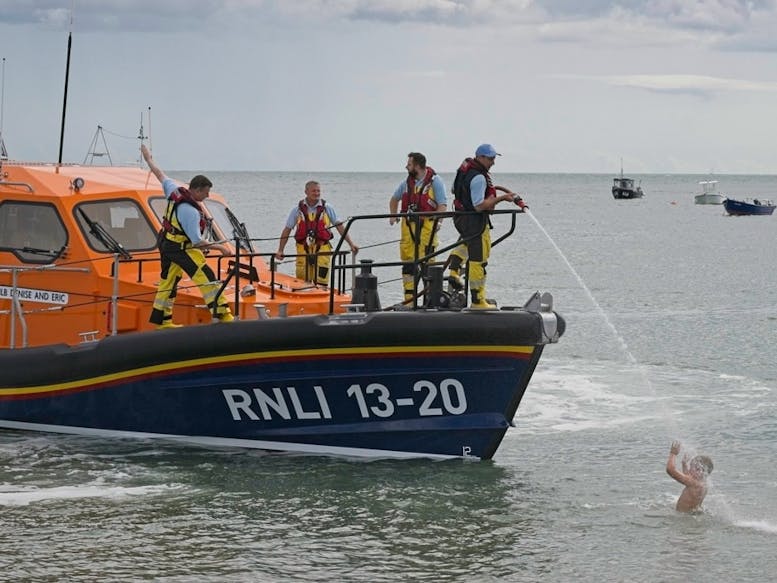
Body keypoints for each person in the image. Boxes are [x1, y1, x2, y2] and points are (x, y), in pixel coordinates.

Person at [140, 144, 234, 328]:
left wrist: (148, 158)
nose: (207, 196)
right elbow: (198, 242)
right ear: (197, 190)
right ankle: (223, 314)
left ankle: (163, 320)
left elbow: (159, 174)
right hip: (180, 247)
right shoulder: (189, 212)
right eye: (206, 192)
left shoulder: (173, 190)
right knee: (205, 276)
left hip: (165, 241)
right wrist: (221, 248)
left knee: (168, 280)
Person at [446, 143, 527, 309]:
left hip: (461, 218)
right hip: (475, 221)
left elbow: (457, 190)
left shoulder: (465, 172)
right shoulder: (478, 177)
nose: (493, 162)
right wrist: (502, 199)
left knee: (464, 245)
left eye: (494, 158)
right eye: (490, 159)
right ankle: (477, 301)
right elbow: (479, 205)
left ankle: (454, 272)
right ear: (480, 157)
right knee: (478, 260)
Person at [388, 152, 447, 304]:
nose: (406, 167)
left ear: (417, 166)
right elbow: (394, 199)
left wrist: (439, 222)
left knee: (428, 264)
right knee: (408, 265)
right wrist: (393, 215)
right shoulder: (406, 183)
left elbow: (442, 204)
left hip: (427, 229)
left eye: (409, 164)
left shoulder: (435, 181)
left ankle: (430, 300)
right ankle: (409, 301)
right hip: (408, 229)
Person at [275, 180, 358, 286]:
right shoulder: (297, 210)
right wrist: (280, 250)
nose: (317, 193)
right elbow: (287, 229)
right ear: (306, 192)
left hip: (322, 249)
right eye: (314, 191)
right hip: (303, 249)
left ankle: (323, 299)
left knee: (321, 282)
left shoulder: (327, 208)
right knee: (302, 282)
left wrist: (351, 244)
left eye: (318, 191)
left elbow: (340, 226)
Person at [666, 440, 714, 513]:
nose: (689, 469)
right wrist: (684, 464)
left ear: (700, 470)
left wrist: (673, 454)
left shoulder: (693, 483)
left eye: (692, 467)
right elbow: (688, 478)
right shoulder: (703, 483)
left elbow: (670, 470)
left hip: (683, 516)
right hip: (691, 514)